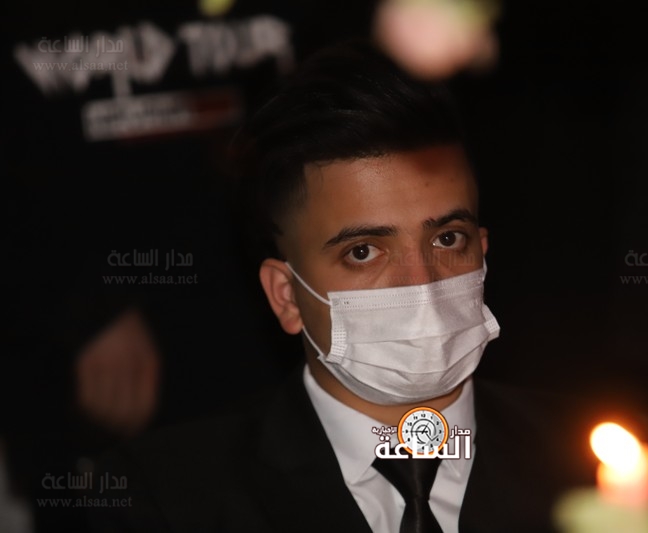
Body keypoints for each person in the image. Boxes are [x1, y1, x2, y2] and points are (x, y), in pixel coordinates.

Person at [89, 40, 594, 533]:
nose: (422, 283)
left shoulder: (598, 464)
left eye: (447, 238)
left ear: (482, 252)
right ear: (286, 296)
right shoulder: (163, 502)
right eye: (363, 251)